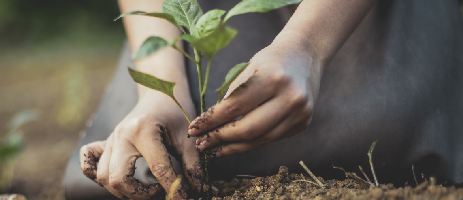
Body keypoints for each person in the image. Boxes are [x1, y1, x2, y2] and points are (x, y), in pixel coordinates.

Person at [63, 0, 463, 199]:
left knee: (384, 120)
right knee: (138, 153)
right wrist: (159, 87)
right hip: (196, 19)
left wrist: (308, 45)